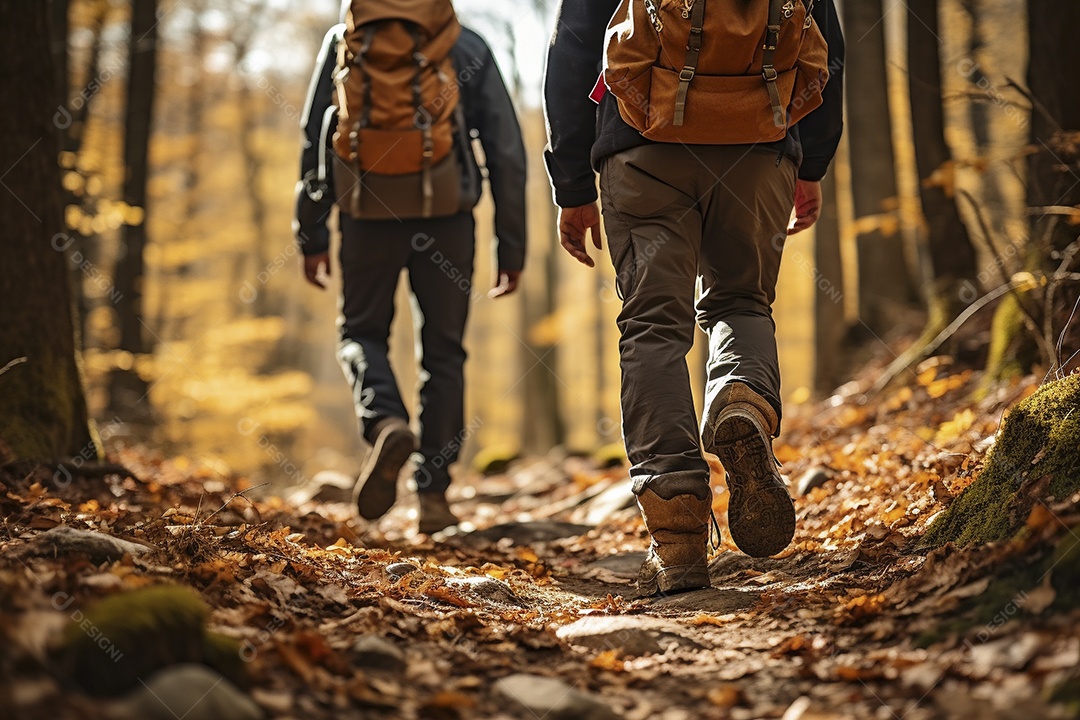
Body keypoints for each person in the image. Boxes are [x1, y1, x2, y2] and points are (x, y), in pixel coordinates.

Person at [544, 1, 844, 593]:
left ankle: (677, 537)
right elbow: (827, 44)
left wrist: (573, 183)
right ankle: (741, 401)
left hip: (641, 146)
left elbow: (573, 47)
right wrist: (812, 160)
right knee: (741, 303)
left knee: (653, 327)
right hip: (762, 144)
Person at [295, 14, 527, 534]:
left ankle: (386, 422)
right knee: (444, 352)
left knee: (360, 333)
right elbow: (506, 150)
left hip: (364, 215)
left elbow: (316, 138)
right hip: (447, 221)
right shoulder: (465, 44)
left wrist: (310, 231)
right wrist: (510, 245)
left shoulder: (346, 42)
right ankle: (434, 495)